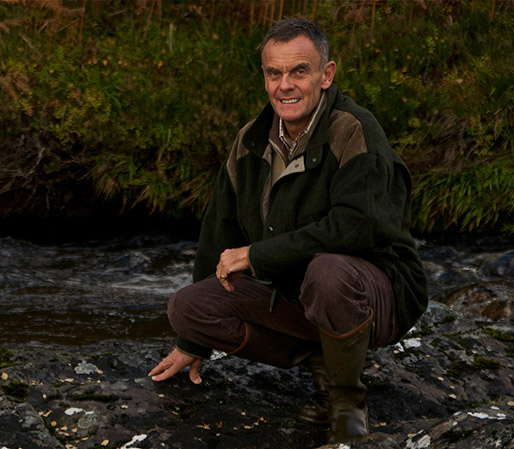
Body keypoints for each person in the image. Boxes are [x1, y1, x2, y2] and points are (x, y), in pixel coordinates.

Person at [148, 17, 428, 444]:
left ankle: (346, 403)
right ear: (264, 77)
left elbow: (359, 226)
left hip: (377, 293)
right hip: (297, 297)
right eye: (274, 73)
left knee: (328, 271)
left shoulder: (354, 130)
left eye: (299, 71)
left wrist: (258, 256)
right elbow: (217, 234)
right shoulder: (249, 142)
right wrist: (194, 342)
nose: (286, 85)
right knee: (190, 307)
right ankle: (322, 361)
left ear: (326, 75)